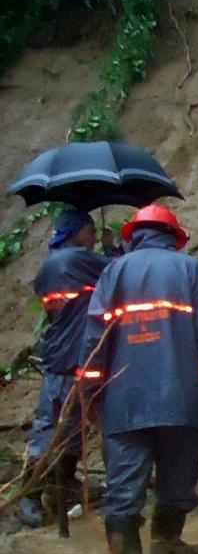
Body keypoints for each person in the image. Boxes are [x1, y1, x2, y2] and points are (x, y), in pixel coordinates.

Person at [79, 204, 198, 554]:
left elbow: (95, 339)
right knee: (177, 478)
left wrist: (89, 393)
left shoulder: (112, 272)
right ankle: (167, 543)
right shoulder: (191, 269)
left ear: (134, 235)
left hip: (124, 399)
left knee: (125, 482)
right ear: (173, 237)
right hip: (181, 396)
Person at [17, 210, 108, 527]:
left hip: (67, 353)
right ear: (77, 231)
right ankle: (29, 493)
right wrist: (113, 251)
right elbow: (120, 273)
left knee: (72, 425)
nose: (94, 236)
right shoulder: (76, 259)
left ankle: (63, 483)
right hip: (70, 356)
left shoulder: (52, 262)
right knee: (53, 426)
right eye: (91, 230)